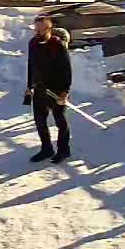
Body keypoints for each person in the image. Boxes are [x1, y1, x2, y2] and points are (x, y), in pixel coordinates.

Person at [24, 14, 73, 163]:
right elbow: (31, 65)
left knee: (60, 121)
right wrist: (29, 86)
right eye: (36, 30)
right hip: (39, 88)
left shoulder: (58, 45)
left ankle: (64, 150)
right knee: (40, 121)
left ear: (49, 29)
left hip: (56, 90)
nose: (38, 33)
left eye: (41, 30)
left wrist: (64, 92)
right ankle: (46, 149)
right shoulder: (33, 43)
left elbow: (67, 70)